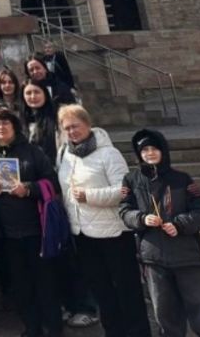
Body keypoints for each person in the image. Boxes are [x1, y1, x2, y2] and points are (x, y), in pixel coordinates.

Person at [55, 106, 149, 337]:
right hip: (83, 233)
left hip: (113, 232)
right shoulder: (64, 155)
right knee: (101, 289)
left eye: (75, 126)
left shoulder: (109, 153)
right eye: (67, 128)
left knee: (126, 288)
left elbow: (124, 190)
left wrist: (89, 196)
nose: (72, 132)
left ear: (88, 124)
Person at [121, 128, 200, 337]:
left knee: (199, 307)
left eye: (154, 148)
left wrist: (180, 224)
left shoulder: (183, 178)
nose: (150, 153)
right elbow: (124, 211)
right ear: (139, 154)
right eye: (144, 149)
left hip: (186, 255)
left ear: (163, 150)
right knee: (165, 313)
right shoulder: (131, 180)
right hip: (153, 257)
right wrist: (141, 218)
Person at [0, 107, 62, 337]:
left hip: (36, 228)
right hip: (6, 233)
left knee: (44, 282)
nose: (1, 128)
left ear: (14, 126)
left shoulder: (32, 152)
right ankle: (31, 327)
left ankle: (53, 327)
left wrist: (29, 188)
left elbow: (52, 181)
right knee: (21, 286)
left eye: (5, 123)